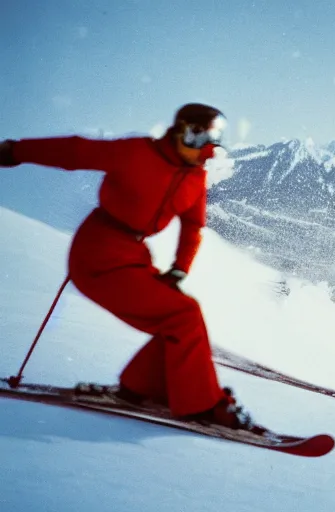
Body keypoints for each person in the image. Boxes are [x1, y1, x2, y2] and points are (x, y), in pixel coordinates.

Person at [0, 103, 251, 429]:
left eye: (211, 138)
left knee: (180, 312)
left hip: (133, 254)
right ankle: (202, 405)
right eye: (195, 135)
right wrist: (14, 151)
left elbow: (193, 226)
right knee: (183, 315)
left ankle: (141, 388)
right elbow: (76, 151)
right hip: (97, 252)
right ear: (179, 131)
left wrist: (179, 269)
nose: (203, 147)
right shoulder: (136, 153)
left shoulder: (194, 178)